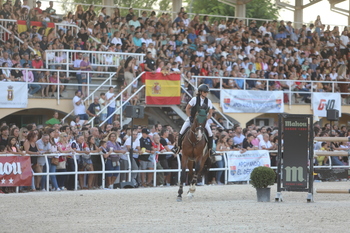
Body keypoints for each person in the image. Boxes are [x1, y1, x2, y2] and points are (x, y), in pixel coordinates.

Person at [172, 84, 215, 156]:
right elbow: (187, 108)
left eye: (207, 92)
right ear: (200, 92)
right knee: (182, 131)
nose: (206, 93)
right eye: (205, 92)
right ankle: (177, 147)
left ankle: (210, 150)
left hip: (202, 121)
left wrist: (206, 119)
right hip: (192, 119)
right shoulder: (194, 99)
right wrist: (190, 117)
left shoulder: (209, 101)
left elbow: (210, 113)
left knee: (210, 133)